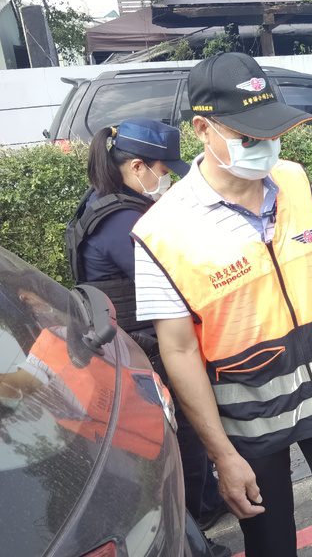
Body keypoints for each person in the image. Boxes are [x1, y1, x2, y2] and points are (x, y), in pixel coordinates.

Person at [131, 52, 312, 557]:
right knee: (271, 543)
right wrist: (222, 454)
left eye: (272, 132)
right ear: (203, 129)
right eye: (249, 137)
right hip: (249, 419)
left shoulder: (293, 179)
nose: (267, 147)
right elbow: (178, 351)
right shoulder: (161, 232)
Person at [64, 118, 231, 556]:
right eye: (163, 169)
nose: (167, 178)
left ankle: (204, 504)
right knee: (187, 440)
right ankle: (195, 525)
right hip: (146, 349)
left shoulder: (102, 200)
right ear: (138, 166)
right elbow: (180, 281)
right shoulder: (125, 225)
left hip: (122, 342)